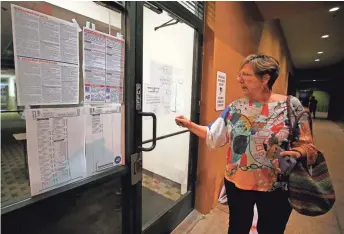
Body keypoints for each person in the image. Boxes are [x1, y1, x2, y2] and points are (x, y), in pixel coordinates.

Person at [175, 54, 317, 234]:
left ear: (265, 78)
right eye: (239, 74)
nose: (239, 79)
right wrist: (189, 125)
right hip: (237, 184)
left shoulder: (291, 105)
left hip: (276, 186)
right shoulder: (236, 107)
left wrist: (298, 153)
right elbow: (214, 135)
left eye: (246, 75)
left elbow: (308, 146)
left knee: (271, 229)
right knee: (237, 227)